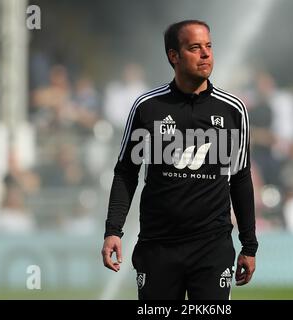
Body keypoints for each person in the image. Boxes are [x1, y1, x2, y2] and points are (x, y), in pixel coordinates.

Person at [101, 20, 258, 300]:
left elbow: (241, 178)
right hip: (158, 246)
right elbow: (126, 172)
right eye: (195, 47)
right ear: (174, 56)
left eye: (208, 46)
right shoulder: (147, 107)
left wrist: (249, 244)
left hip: (212, 248)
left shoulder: (233, 110)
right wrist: (113, 230)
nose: (206, 54)